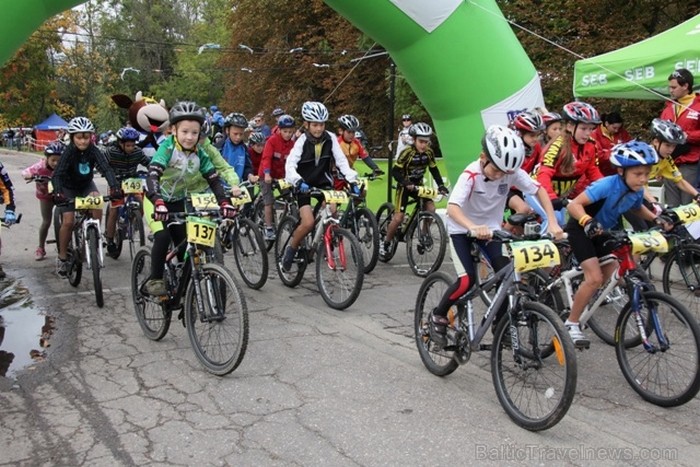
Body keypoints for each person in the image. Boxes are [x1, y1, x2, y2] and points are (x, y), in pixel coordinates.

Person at [428, 125, 563, 347]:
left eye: (506, 173)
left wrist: (554, 222)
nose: (501, 176)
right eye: (497, 170)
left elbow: (538, 190)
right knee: (467, 280)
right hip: (462, 229)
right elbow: (452, 208)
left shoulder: (510, 172)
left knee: (505, 278)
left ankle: (501, 326)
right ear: (483, 158)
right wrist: (472, 226)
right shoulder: (471, 174)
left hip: (491, 230)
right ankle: (438, 316)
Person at [565, 140, 671, 347]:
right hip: (581, 229)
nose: (643, 179)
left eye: (646, 174)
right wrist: (587, 221)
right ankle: (571, 322)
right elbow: (575, 205)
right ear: (621, 171)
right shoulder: (606, 185)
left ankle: (586, 295)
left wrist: (656, 219)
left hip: (604, 231)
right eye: (638, 174)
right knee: (594, 278)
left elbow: (637, 206)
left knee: (618, 272)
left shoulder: (636, 189)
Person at [143, 101, 236, 296]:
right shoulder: (167, 149)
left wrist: (224, 202)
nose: (189, 137)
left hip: (177, 200)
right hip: (155, 200)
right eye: (185, 131)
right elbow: (152, 176)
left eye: (194, 133)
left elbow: (213, 179)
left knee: (186, 245)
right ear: (173, 130)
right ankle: (156, 279)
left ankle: (180, 286)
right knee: (162, 237)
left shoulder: (199, 153)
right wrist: (158, 202)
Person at [280, 101, 359, 272]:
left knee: (332, 212)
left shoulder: (330, 138)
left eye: (321, 124)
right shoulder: (301, 141)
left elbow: (342, 162)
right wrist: (298, 181)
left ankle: (325, 244)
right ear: (307, 124)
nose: (318, 129)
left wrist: (352, 180)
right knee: (307, 223)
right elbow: (290, 165)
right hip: (304, 184)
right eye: (314, 125)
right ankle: (291, 249)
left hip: (323, 183)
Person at [52, 117, 122, 277]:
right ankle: (62, 257)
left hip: (85, 185)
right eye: (79, 137)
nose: (83, 141)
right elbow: (57, 175)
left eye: (86, 137)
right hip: (68, 187)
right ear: (72, 138)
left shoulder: (93, 150)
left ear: (91, 137)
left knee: (97, 202)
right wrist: (57, 192)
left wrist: (114, 186)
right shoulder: (69, 152)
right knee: (68, 221)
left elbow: (106, 169)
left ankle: (94, 236)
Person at [380, 122, 448, 257]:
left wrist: (440, 185)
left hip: (418, 186)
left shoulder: (429, 152)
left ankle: (424, 233)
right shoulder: (407, 152)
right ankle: (386, 242)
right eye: (421, 141)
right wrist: (405, 182)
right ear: (414, 140)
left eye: (426, 142)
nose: (424, 145)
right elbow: (395, 172)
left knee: (431, 209)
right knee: (399, 217)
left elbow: (434, 169)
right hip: (404, 186)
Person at [534, 101, 603, 218]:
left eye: (591, 129)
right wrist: (551, 198)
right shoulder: (557, 146)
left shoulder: (591, 145)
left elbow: (593, 171)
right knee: (555, 221)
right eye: (583, 128)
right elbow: (543, 174)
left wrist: (607, 188)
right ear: (570, 126)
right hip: (537, 191)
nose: (587, 133)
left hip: (560, 195)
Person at [104, 127, 151, 257]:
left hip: (132, 181)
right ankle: (109, 240)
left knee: (141, 203)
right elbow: (101, 164)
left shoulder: (137, 152)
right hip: (116, 182)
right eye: (128, 145)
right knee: (114, 209)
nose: (131, 148)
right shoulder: (111, 152)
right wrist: (108, 175)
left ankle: (135, 223)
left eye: (133, 145)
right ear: (120, 143)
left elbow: (148, 163)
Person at [659, 68, 700, 207]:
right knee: (672, 207)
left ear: (685, 86)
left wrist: (689, 136)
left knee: (688, 206)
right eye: (669, 87)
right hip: (669, 163)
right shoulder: (668, 107)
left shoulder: (698, 105)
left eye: (674, 87)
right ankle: (674, 229)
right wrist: (658, 165)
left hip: (690, 163)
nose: (670, 90)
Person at [22, 141, 64, 261]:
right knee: (46, 221)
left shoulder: (64, 167)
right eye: (53, 160)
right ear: (47, 158)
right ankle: (41, 247)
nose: (56, 163)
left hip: (61, 194)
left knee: (67, 219)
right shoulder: (40, 166)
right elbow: (25, 172)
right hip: (45, 196)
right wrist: (30, 176)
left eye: (59, 160)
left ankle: (68, 244)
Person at [645, 118, 700, 207]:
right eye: (667, 145)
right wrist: (654, 203)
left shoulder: (666, 159)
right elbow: (639, 186)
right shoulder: (644, 157)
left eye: (674, 146)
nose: (671, 150)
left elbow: (679, 181)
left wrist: (697, 195)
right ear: (656, 142)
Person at [260, 114, 296, 241]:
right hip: (266, 174)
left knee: (290, 196)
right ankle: (268, 227)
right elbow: (266, 158)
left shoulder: (292, 144)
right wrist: (267, 173)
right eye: (285, 131)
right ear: (279, 130)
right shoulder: (272, 141)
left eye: (290, 132)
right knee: (269, 201)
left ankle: (289, 218)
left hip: (282, 176)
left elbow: (294, 162)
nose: (287, 134)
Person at [335, 114, 384, 190]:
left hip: (350, 171)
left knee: (361, 193)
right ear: (341, 131)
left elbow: (365, 157)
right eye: (349, 132)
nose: (352, 135)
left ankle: (353, 202)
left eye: (353, 132)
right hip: (336, 172)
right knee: (336, 200)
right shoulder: (336, 142)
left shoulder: (356, 142)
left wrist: (375, 168)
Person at [216, 112, 256, 184]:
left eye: (241, 134)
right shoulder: (219, 147)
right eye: (235, 134)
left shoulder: (244, 149)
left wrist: (250, 175)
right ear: (227, 130)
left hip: (238, 188)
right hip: (220, 188)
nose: (238, 137)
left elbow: (247, 167)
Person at [591, 112, 632, 176]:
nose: (616, 131)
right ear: (606, 123)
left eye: (619, 128)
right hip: (602, 173)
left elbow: (630, 144)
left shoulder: (622, 132)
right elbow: (597, 155)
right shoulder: (595, 135)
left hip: (620, 171)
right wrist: (614, 152)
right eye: (614, 128)